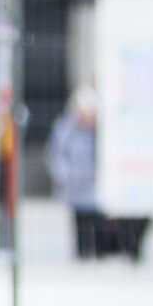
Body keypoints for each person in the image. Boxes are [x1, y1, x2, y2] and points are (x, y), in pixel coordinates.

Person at [47, 86, 101, 260]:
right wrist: (65, 175)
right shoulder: (65, 128)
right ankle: (82, 253)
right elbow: (56, 154)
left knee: (96, 221)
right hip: (75, 184)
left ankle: (96, 251)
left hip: (94, 183)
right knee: (80, 221)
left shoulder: (99, 131)